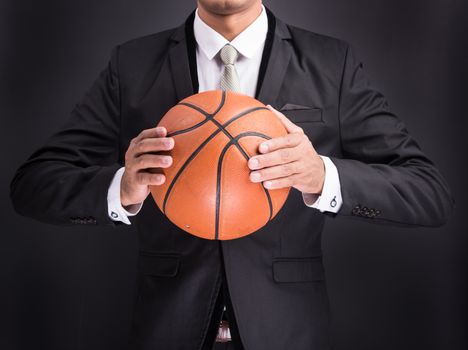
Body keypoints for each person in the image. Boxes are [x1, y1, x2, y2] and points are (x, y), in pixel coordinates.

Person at [10, 1, 454, 349]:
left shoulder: (330, 62)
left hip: (286, 332)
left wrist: (322, 175)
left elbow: (429, 192)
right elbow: (33, 186)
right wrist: (119, 187)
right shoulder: (133, 64)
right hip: (168, 328)